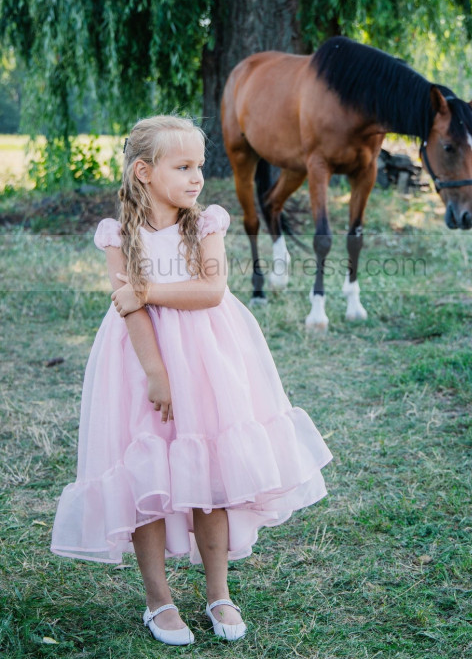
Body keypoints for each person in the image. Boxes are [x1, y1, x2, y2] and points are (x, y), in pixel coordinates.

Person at [51, 115, 332, 646]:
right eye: (183, 167)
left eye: (199, 166)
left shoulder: (205, 225)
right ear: (144, 172)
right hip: (140, 363)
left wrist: (148, 291)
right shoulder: (118, 235)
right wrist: (156, 374)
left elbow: (210, 291)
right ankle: (159, 601)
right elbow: (127, 309)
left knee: (211, 474)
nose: (197, 177)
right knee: (147, 477)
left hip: (207, 360)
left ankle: (219, 592)